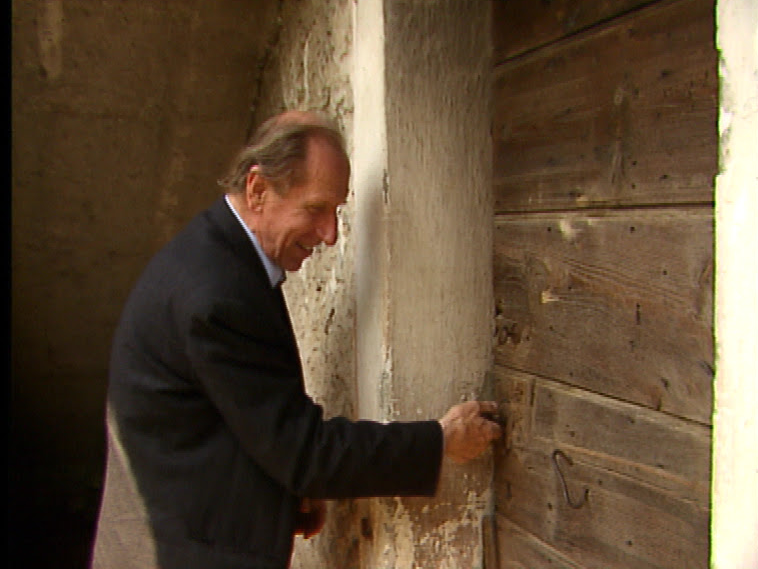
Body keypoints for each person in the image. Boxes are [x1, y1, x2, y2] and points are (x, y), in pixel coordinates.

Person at [89, 109, 502, 569]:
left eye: (337, 211)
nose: (329, 234)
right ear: (258, 189)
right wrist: (440, 440)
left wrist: (286, 491)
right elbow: (304, 453)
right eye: (316, 209)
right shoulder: (217, 293)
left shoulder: (215, 256)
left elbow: (230, 419)